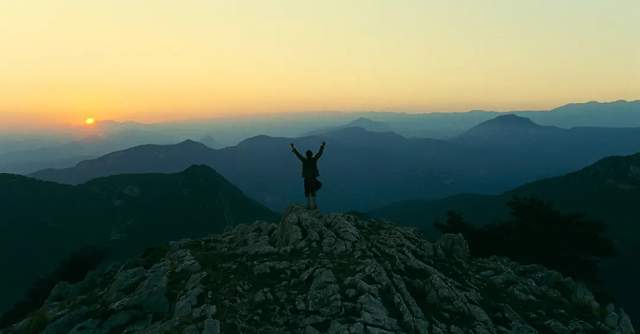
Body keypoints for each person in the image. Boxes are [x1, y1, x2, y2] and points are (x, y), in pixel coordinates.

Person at [290, 142, 325, 209]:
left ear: (306, 155)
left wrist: (293, 148)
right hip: (313, 178)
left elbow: (298, 155)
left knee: (308, 192)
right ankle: (314, 206)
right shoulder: (314, 159)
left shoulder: (304, 160)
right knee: (314, 191)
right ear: (311, 154)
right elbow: (319, 154)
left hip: (306, 179)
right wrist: (322, 146)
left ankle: (309, 206)